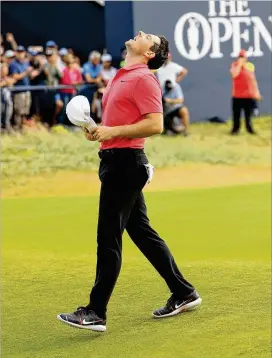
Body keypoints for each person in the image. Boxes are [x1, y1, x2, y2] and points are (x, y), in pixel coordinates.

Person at [57, 30, 202, 332]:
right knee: (142, 234)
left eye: (148, 36)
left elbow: (156, 123)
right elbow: (119, 124)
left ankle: (96, 312)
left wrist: (112, 132)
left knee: (108, 237)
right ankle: (184, 292)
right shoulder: (122, 75)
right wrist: (97, 129)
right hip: (116, 162)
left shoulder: (144, 78)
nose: (140, 33)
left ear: (150, 53)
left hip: (125, 165)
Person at [230, 49, 261, 135]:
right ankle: (235, 130)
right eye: (240, 57)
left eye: (243, 57)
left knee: (248, 115)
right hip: (237, 95)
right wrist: (239, 65)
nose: (242, 58)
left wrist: (256, 92)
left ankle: (249, 129)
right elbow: (234, 75)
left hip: (248, 95)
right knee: (236, 115)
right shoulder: (234, 65)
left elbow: (253, 80)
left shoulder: (250, 66)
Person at [9, 45, 33, 129]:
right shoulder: (13, 64)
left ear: (24, 53)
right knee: (18, 111)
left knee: (25, 111)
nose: (20, 54)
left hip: (27, 90)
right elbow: (15, 77)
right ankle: (17, 128)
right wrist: (26, 72)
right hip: (18, 91)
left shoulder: (26, 63)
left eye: (22, 52)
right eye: (18, 52)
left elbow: (30, 76)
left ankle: (23, 128)